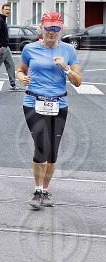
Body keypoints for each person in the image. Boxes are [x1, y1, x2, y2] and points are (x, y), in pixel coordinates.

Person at [16, 11, 81, 210]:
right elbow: (21, 70)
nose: (52, 32)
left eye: (56, 28)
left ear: (60, 29)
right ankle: (37, 191)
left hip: (59, 105)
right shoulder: (30, 49)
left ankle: (45, 190)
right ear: (41, 28)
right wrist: (21, 78)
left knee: (52, 152)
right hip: (34, 102)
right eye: (48, 27)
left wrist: (66, 68)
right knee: (42, 145)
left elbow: (78, 82)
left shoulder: (68, 50)